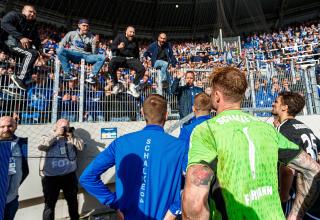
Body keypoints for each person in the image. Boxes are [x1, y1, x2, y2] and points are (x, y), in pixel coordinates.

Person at [182, 67, 320, 219]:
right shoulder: (268, 129)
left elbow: (194, 205)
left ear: (217, 96)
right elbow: (313, 170)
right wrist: (295, 215)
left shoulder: (206, 130)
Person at [80, 94, 187, 219]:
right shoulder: (180, 146)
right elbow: (196, 184)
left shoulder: (121, 143)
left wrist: (114, 203)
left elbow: (87, 177)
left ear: (142, 112)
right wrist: (175, 210)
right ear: (166, 115)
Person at [271, 91, 320, 220]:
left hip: (295, 192)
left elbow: (287, 169)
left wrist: (283, 198)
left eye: (276, 101)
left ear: (284, 107)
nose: (272, 104)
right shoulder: (305, 127)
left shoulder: (284, 129)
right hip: (311, 189)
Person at [38, 118, 84, 220]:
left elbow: (81, 147)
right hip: (51, 177)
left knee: (73, 202)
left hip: (69, 176)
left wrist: (71, 138)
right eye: (62, 127)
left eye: (66, 126)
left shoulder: (72, 136)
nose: (64, 129)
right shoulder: (47, 135)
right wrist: (56, 135)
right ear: (56, 126)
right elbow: (41, 146)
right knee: (49, 205)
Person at [0, 5, 45, 93]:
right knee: (31, 54)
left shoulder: (33, 25)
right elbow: (4, 23)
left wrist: (41, 52)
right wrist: (21, 37)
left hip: (17, 49)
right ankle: (20, 79)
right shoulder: (14, 15)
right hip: (8, 44)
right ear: (23, 11)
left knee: (31, 64)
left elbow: (36, 40)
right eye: (30, 11)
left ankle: (12, 88)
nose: (32, 14)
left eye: (34, 13)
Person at [57, 19, 105, 83]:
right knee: (60, 50)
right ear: (79, 25)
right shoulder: (72, 33)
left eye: (87, 26)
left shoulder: (92, 37)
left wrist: (96, 45)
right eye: (84, 26)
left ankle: (92, 76)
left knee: (102, 57)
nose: (85, 28)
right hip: (74, 54)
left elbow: (94, 53)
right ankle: (67, 73)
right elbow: (61, 44)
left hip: (87, 56)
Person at [0, 116, 29, 220]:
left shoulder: (21, 143)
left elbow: (24, 170)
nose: (6, 129)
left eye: (10, 126)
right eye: (2, 126)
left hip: (12, 200)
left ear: (15, 126)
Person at [109, 26, 145, 98]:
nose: (132, 34)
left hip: (131, 59)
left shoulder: (135, 40)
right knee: (111, 63)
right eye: (130, 32)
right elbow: (112, 47)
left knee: (142, 69)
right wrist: (118, 47)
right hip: (120, 58)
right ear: (126, 32)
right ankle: (116, 84)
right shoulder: (120, 37)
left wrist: (138, 62)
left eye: (133, 32)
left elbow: (137, 52)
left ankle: (133, 86)